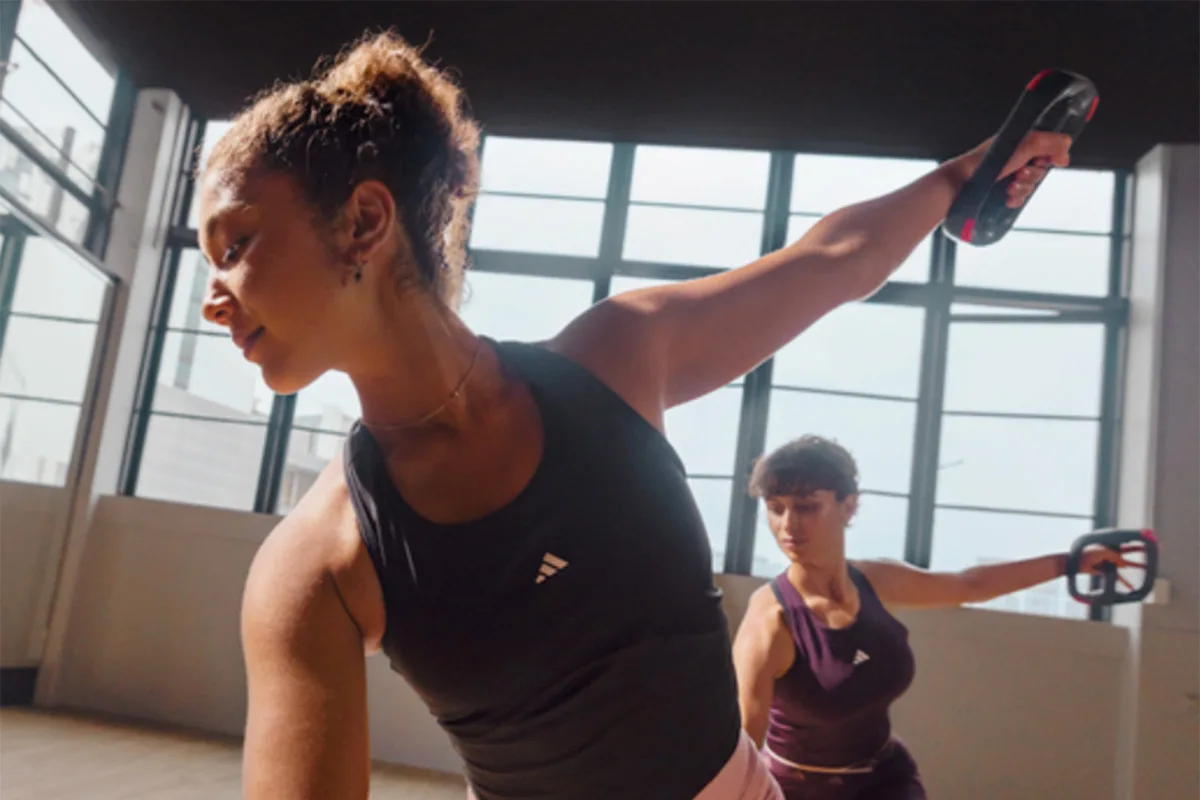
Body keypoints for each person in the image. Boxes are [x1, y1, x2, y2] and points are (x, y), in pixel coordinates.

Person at [196, 27, 1070, 800]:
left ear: (363, 220)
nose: (213, 297)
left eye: (234, 246)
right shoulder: (313, 569)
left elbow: (831, 261)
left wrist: (966, 174)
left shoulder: (617, 358)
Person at [732, 435, 1142, 799]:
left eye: (806, 507)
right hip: (802, 791)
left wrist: (1069, 564)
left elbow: (969, 585)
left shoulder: (875, 580)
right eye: (776, 508)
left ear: (848, 507)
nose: (788, 525)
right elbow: (739, 749)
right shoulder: (772, 620)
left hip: (886, 779)